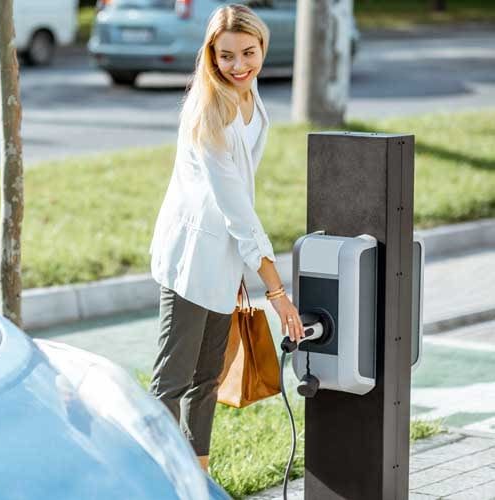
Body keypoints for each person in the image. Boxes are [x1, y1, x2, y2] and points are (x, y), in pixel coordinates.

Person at [147, 4, 305, 473]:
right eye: (225, 57)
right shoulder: (208, 113)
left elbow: (241, 201)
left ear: (262, 47)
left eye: (248, 53)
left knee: (206, 378)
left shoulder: (250, 95)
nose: (237, 66)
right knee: (171, 381)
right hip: (193, 256)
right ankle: (157, 477)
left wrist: (244, 268)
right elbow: (237, 209)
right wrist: (277, 292)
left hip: (224, 257)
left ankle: (198, 476)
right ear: (210, 55)